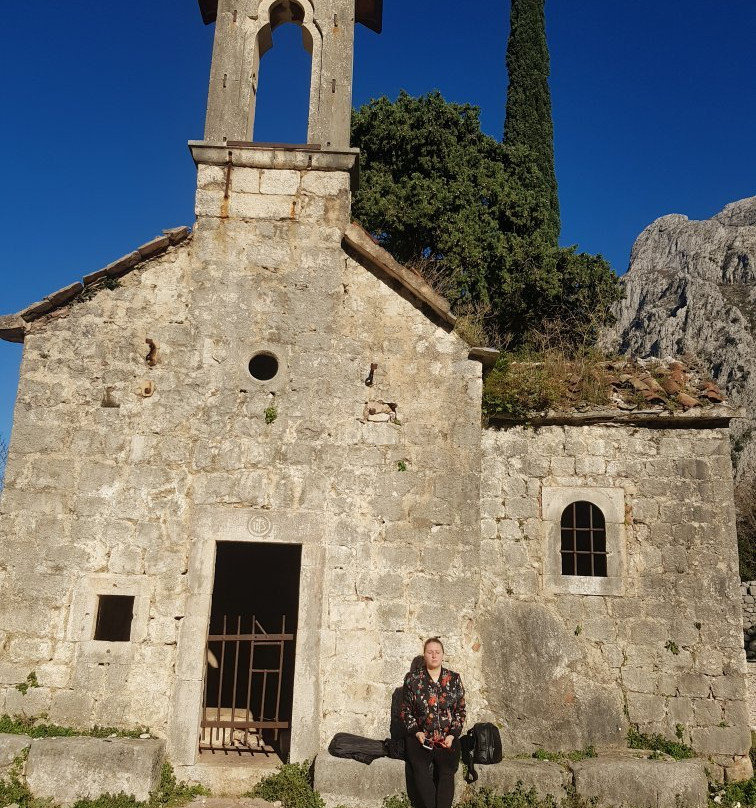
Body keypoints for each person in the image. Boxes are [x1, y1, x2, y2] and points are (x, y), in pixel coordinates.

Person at [400, 637, 466, 808]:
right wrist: (417, 732)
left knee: (447, 769)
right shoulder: (413, 679)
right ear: (425, 655)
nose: (434, 655)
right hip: (421, 737)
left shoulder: (454, 679)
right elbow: (405, 711)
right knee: (420, 767)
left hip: (446, 738)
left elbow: (460, 711)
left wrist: (453, 734)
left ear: (443, 655)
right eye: (430, 652)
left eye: (437, 652)